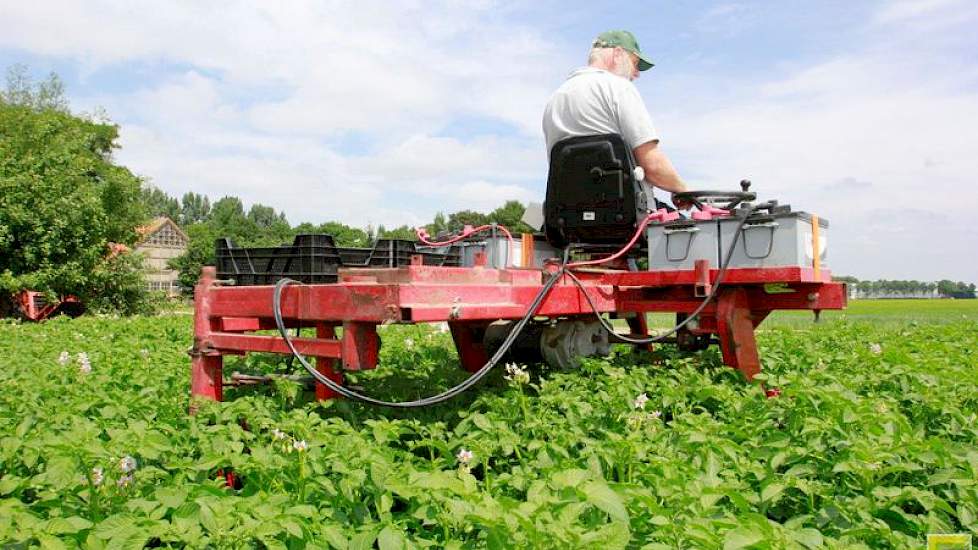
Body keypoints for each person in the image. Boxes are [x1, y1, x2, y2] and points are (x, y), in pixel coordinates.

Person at [542, 30, 690, 209]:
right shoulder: (619, 88)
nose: (636, 74)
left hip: (567, 220)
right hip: (625, 217)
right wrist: (684, 190)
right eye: (635, 64)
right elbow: (652, 166)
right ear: (617, 54)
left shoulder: (555, 99)